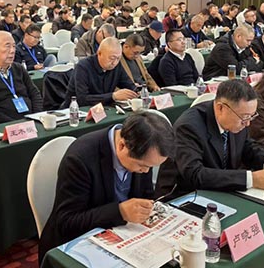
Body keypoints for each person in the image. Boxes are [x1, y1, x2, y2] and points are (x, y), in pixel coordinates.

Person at [38, 111, 175, 261]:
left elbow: (146, 194)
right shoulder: (80, 159)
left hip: (122, 236)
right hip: (76, 244)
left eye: (151, 167)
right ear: (122, 146)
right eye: (142, 166)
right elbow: (67, 222)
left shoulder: (143, 151)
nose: (146, 171)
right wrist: (120, 212)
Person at [155, 80, 264, 196]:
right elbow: (195, 174)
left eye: (251, 116)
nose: (248, 123)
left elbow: (247, 145)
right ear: (220, 108)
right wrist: (251, 179)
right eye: (245, 117)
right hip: (185, 195)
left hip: (222, 189)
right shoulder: (188, 127)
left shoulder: (238, 117)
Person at [62, 37, 137, 108]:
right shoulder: (83, 67)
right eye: (112, 58)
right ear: (99, 53)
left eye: (118, 58)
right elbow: (82, 99)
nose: (114, 62)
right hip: (76, 110)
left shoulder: (117, 66)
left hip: (103, 108)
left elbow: (129, 86)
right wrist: (113, 96)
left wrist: (136, 91)